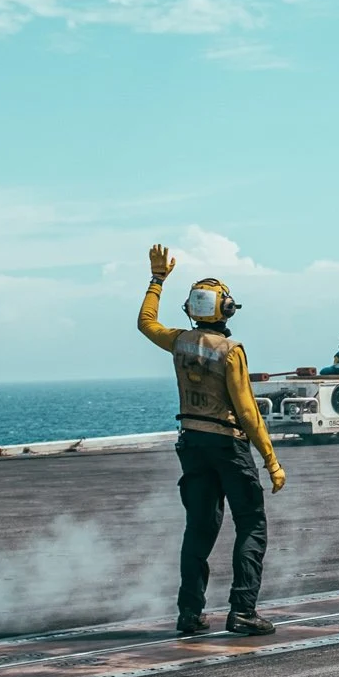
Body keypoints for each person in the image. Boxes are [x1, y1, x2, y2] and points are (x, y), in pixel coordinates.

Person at [136, 244, 285, 637]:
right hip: (228, 446)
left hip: (192, 444)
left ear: (191, 309)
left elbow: (146, 323)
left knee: (199, 528)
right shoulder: (231, 351)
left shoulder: (179, 342)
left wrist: (156, 281)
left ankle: (189, 613)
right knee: (251, 523)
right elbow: (248, 412)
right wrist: (271, 460)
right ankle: (243, 611)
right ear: (226, 309)